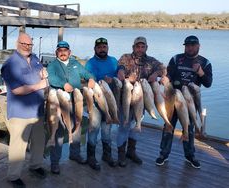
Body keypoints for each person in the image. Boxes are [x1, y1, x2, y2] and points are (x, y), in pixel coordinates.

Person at [155, 35, 213, 169]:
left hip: (190, 102)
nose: (190, 48)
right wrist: (165, 79)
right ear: (185, 47)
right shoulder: (176, 59)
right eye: (188, 45)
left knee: (189, 130)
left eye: (193, 45)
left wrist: (200, 72)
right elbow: (169, 74)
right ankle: (163, 154)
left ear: (198, 46)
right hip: (172, 99)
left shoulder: (205, 62)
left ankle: (190, 156)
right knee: (168, 127)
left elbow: (208, 83)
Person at [1, 33, 49, 188]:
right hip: (20, 113)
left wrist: (44, 73)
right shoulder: (10, 64)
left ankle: (35, 166)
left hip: (38, 110)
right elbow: (16, 90)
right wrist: (39, 86)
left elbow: (41, 74)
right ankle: (13, 176)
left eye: (30, 44)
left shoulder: (35, 58)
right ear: (17, 43)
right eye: (24, 44)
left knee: (39, 142)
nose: (27, 47)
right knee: (18, 146)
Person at [47, 40, 95, 174]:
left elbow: (86, 73)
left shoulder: (75, 63)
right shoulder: (52, 65)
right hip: (59, 101)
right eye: (60, 51)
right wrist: (63, 84)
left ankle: (75, 153)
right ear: (57, 52)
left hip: (76, 100)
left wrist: (91, 78)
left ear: (69, 52)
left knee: (77, 127)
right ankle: (55, 162)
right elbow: (51, 79)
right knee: (59, 131)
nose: (63, 53)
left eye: (65, 50)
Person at [117, 36, 166, 167]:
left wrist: (157, 74)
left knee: (135, 127)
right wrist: (123, 74)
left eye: (142, 46)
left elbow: (163, 68)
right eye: (137, 46)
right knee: (124, 127)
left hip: (141, 100)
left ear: (146, 48)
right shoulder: (126, 57)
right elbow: (120, 67)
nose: (140, 49)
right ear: (133, 47)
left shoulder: (151, 61)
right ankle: (121, 154)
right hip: (126, 99)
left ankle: (131, 152)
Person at [85, 37, 118, 170]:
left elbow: (119, 77)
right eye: (99, 47)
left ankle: (106, 155)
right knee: (93, 129)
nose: (102, 49)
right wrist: (98, 80)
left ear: (107, 48)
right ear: (95, 49)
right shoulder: (90, 63)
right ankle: (91, 157)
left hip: (111, 100)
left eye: (104, 47)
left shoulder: (114, 61)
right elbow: (88, 79)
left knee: (107, 130)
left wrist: (113, 79)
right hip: (96, 101)